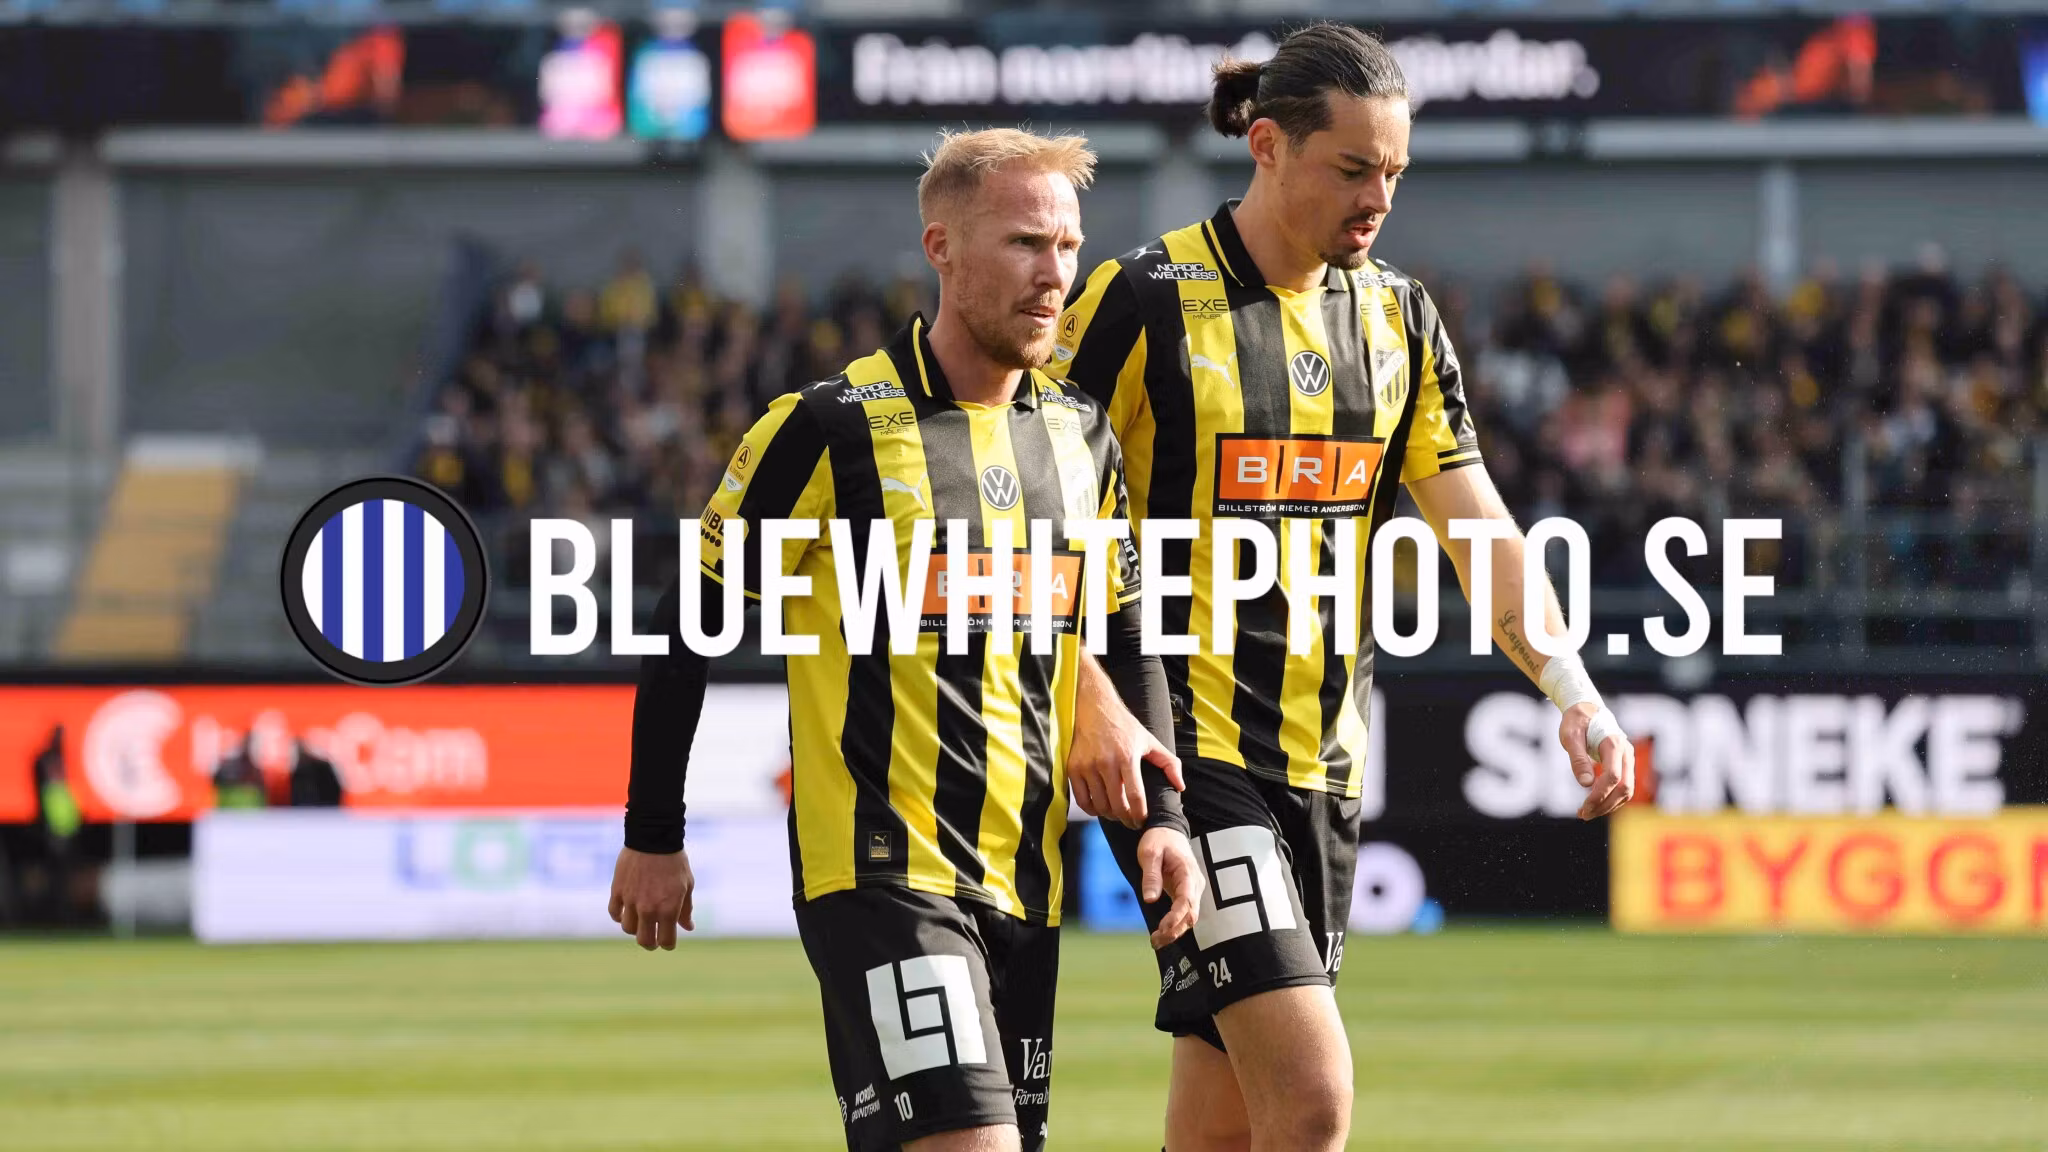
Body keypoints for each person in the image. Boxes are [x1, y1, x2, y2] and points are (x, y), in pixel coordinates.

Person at [1049, 24, 1637, 1152]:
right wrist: (1087, 695)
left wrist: (1572, 690)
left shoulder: (1399, 317)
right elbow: (1030, 502)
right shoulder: (1140, 300)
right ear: (1266, 146)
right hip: (1187, 753)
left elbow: (1477, 528)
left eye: (1394, 173)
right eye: (1353, 168)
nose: (1377, 200)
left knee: (1221, 1127)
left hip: (1325, 764)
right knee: (1313, 1098)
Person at [609, 128, 1207, 1152]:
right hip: (879, 873)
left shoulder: (1081, 434)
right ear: (941, 247)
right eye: (1024, 243)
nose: (1054, 274)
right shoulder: (826, 429)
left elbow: (1119, 634)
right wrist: (653, 831)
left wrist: (1161, 818)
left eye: (1067, 246)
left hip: (1025, 881)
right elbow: (688, 628)